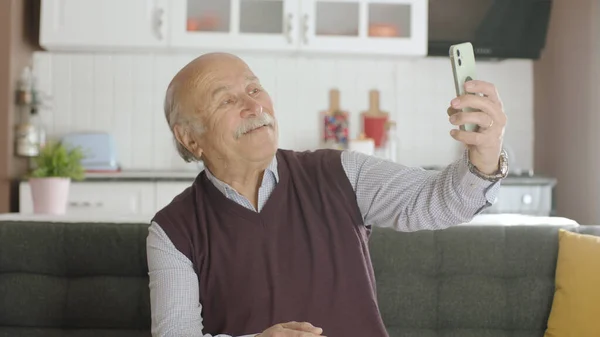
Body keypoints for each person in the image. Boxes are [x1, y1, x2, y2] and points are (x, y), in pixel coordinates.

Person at [147, 52, 508, 337]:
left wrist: (486, 154)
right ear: (189, 138)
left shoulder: (340, 173)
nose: (254, 107)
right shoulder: (171, 231)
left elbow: (439, 201)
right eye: (225, 101)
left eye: (254, 89)